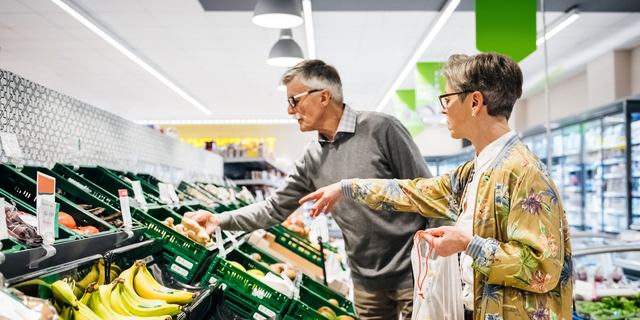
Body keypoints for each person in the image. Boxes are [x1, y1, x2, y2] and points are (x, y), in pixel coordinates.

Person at [299, 53, 573, 320]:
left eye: (447, 98)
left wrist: (468, 244)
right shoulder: (475, 170)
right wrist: (347, 188)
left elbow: (543, 269)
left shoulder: (523, 171)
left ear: (475, 102)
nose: (443, 107)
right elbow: (418, 191)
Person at [187, 59, 443, 320]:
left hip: (415, 271)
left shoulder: (381, 129)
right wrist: (219, 219)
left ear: (323, 97)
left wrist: (437, 262)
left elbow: (429, 192)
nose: (290, 110)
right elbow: (274, 208)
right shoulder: (312, 156)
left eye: (294, 100)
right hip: (365, 280)